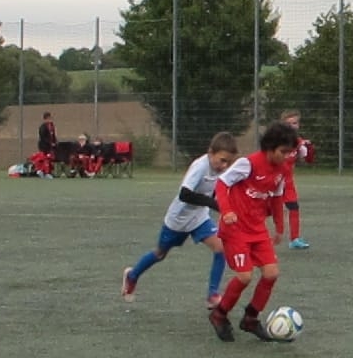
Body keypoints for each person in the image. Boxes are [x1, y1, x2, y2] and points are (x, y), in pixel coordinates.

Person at [207, 122, 303, 342]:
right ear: (270, 147)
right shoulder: (247, 164)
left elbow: (277, 197)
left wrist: (279, 227)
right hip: (235, 229)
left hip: (257, 229)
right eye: (283, 151)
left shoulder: (282, 170)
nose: (286, 156)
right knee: (245, 276)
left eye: (289, 152)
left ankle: (250, 318)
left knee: (271, 274)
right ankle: (219, 314)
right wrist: (227, 211)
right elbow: (222, 184)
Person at [121, 131, 237, 304]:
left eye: (228, 162)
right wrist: (214, 204)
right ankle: (132, 275)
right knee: (160, 254)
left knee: (221, 248)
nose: (224, 166)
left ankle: (212, 294)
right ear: (210, 153)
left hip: (199, 218)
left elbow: (215, 190)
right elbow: (184, 194)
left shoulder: (221, 170)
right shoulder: (200, 166)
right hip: (178, 220)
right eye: (222, 160)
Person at [272, 110, 317, 250]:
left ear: (298, 125)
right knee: (262, 209)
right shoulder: (276, 141)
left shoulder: (298, 142)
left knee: (293, 207)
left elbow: (308, 160)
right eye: (288, 123)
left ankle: (294, 239)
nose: (292, 126)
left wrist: (309, 148)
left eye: (295, 123)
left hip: (288, 182)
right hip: (272, 181)